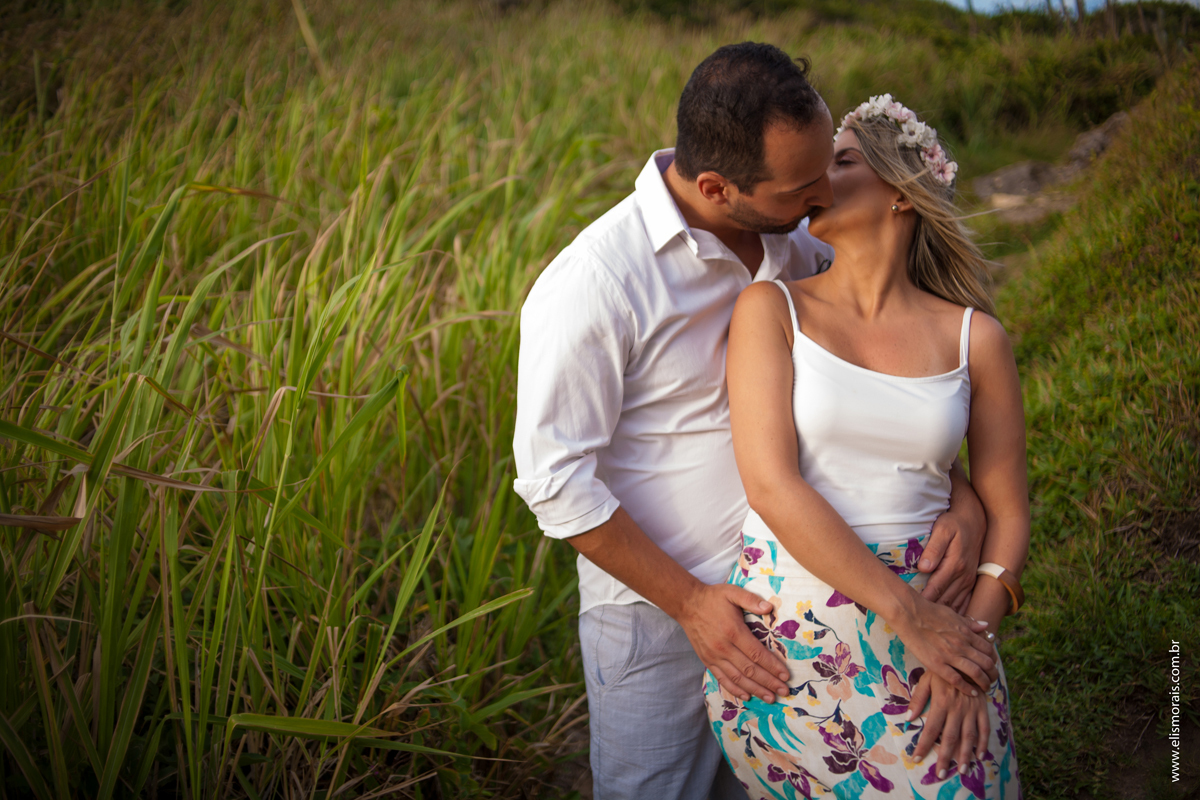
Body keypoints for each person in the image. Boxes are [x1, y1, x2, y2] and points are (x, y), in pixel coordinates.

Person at [513, 46, 990, 800]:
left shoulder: (798, 241)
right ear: (716, 186)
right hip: (659, 616)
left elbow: (868, 390)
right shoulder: (596, 283)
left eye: (827, 167)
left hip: (801, 598)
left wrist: (959, 490)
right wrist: (692, 603)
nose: (823, 193)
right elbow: (553, 483)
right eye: (803, 185)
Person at [703, 94, 1028, 798]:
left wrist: (972, 648)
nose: (820, 175)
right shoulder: (771, 308)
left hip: (940, 614)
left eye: (842, 160)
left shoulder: (975, 338)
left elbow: (1007, 512)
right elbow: (771, 484)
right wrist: (908, 617)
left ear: (902, 193)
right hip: (793, 632)